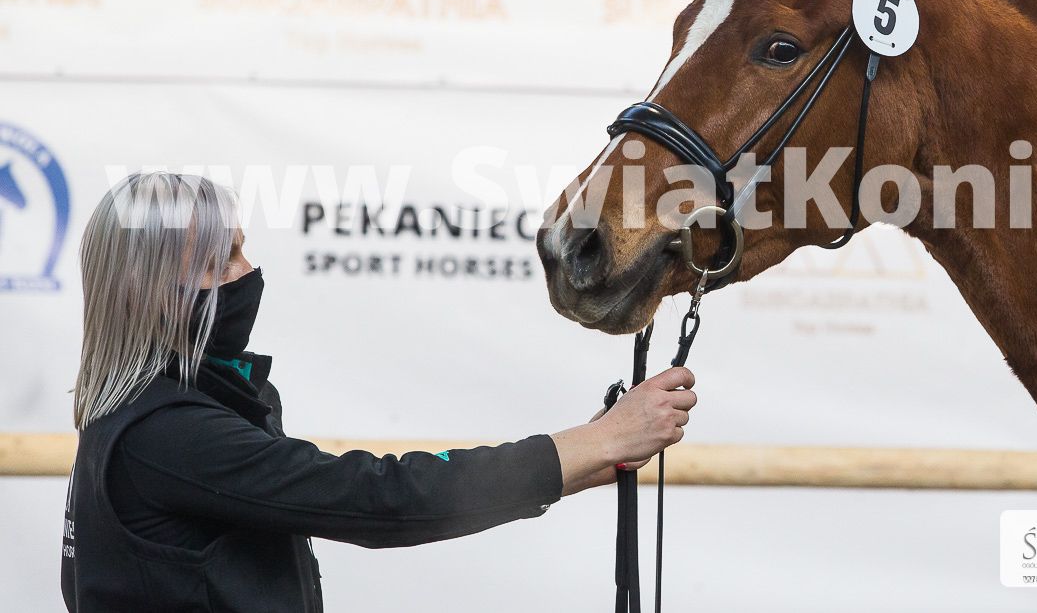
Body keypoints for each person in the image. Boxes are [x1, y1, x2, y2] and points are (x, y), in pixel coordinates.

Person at [61, 172, 696, 612]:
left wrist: (585, 457)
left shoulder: (173, 405)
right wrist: (590, 444)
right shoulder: (164, 434)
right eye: (218, 262)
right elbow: (378, 498)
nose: (247, 272)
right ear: (149, 293)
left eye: (241, 250)